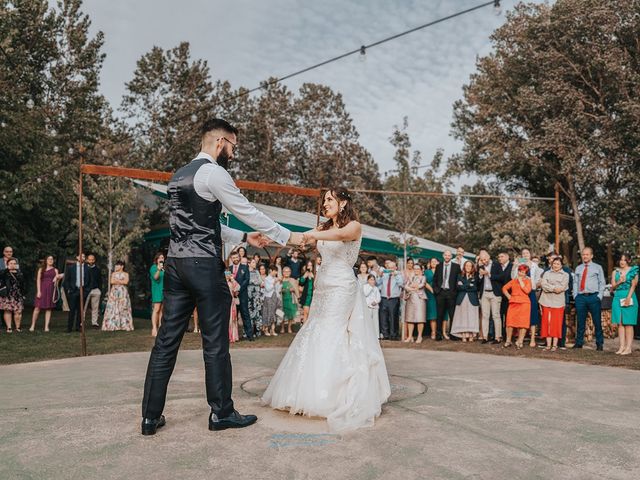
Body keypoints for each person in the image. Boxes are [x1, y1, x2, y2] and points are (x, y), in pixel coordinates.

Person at [141, 118, 302, 436]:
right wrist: (288, 237)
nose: (233, 152)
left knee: (165, 343)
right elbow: (247, 210)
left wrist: (244, 240)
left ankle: (149, 417)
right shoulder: (215, 173)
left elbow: (194, 223)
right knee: (215, 342)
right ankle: (221, 413)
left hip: (176, 265)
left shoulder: (178, 176)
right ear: (220, 142)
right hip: (203, 266)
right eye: (233, 146)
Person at [262, 187, 391, 433]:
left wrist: (316, 234)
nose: (325, 204)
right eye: (325, 201)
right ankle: (303, 392)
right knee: (315, 330)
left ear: (343, 203)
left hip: (342, 287)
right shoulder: (323, 229)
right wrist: (275, 236)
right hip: (323, 287)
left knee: (333, 331)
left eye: (330, 200)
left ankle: (331, 395)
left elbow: (340, 235)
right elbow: (301, 237)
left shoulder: (353, 226)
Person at [573, 247, 606, 351]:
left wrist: (599, 296)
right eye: (583, 254)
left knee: (597, 321)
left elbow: (602, 282)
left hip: (593, 297)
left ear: (591, 256)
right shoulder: (578, 268)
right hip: (581, 297)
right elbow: (575, 282)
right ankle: (579, 343)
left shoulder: (598, 267)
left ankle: (599, 344)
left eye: (587, 254)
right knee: (580, 321)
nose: (585, 256)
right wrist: (575, 295)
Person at [478, 251, 509, 344]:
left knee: (496, 315)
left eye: (485, 259)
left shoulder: (497, 264)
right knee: (485, 316)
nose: (484, 261)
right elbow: (477, 280)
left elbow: (502, 277)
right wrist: (480, 275)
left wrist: (489, 274)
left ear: (489, 257)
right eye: (482, 260)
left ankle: (497, 337)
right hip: (484, 293)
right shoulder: (480, 266)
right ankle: (485, 337)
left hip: (495, 293)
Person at [512, 248, 542, 347]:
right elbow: (513, 277)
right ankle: (521, 338)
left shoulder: (534, 266)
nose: (525, 255)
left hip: (531, 292)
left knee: (532, 315)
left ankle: (532, 339)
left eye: (527, 253)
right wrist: (515, 266)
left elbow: (538, 280)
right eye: (523, 253)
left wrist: (533, 284)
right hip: (521, 292)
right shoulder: (519, 265)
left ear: (530, 254)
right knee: (522, 316)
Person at [539, 257, 569, 351]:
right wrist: (554, 288)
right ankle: (548, 345)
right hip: (546, 301)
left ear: (561, 265)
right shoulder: (546, 273)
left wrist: (551, 286)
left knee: (556, 323)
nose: (555, 265)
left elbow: (563, 287)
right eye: (554, 263)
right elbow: (544, 285)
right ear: (552, 264)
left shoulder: (565, 275)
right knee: (547, 323)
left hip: (558, 302)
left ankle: (555, 345)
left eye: (558, 264)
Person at [610, 254, 638, 355]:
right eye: (621, 260)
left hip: (629, 296)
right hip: (617, 297)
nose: (622, 262)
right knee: (620, 323)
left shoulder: (634, 270)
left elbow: (634, 285)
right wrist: (619, 282)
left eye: (624, 260)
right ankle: (621, 346)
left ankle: (628, 347)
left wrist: (628, 297)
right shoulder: (615, 272)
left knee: (628, 323)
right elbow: (612, 287)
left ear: (628, 261)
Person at [433, 250, 461, 340]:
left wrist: (454, 292)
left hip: (451, 293)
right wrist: (437, 291)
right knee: (439, 315)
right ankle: (438, 334)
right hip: (440, 293)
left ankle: (453, 334)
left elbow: (458, 280)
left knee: (452, 315)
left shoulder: (456, 267)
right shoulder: (439, 266)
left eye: (449, 255)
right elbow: (435, 279)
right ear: (443, 256)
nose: (447, 257)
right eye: (446, 255)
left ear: (451, 256)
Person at [29, 255, 63, 332]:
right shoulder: (41, 269)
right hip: (42, 290)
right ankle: (32, 325)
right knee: (37, 308)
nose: (50, 260)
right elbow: (38, 280)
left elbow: (58, 281)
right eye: (49, 259)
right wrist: (38, 291)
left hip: (51, 290)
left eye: (52, 259)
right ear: (46, 260)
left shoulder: (55, 270)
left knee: (48, 308)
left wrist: (57, 278)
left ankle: (46, 327)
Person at [502, 264, 532, 349]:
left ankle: (520, 341)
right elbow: (504, 288)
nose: (521, 273)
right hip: (513, 303)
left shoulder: (528, 281)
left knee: (523, 323)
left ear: (526, 273)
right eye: (520, 271)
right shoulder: (513, 281)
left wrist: (521, 281)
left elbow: (527, 291)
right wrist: (509, 296)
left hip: (524, 303)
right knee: (510, 322)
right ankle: (508, 341)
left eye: (523, 272)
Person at [451, 261, 480, 342]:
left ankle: (471, 335)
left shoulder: (475, 276)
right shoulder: (459, 275)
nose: (468, 267)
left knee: (471, 317)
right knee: (462, 317)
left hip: (472, 299)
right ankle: (463, 334)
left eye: (470, 266)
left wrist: (464, 285)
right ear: (464, 267)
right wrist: (469, 284)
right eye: (466, 265)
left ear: (472, 267)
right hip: (462, 299)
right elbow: (458, 287)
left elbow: (475, 288)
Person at [102, 260, 134, 331]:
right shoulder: (113, 274)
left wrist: (117, 281)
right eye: (116, 265)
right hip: (114, 291)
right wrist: (120, 281)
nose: (116, 266)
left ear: (122, 266)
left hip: (123, 292)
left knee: (123, 306)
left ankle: (124, 324)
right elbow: (112, 281)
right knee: (113, 306)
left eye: (118, 265)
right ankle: (113, 323)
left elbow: (126, 282)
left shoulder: (126, 274)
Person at [377, 260, 404, 340]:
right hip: (384, 298)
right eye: (389, 267)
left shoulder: (398, 275)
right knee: (383, 317)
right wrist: (380, 275)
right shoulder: (384, 275)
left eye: (392, 267)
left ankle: (393, 335)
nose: (391, 269)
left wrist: (395, 275)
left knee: (393, 317)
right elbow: (377, 283)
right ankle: (385, 334)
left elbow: (401, 284)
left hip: (393, 299)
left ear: (395, 267)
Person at [62, 255, 89, 333]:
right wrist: (69, 290)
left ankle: (78, 326)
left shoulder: (87, 268)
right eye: (80, 256)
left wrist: (86, 291)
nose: (82, 257)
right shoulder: (71, 268)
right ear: (77, 257)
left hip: (83, 291)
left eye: (84, 256)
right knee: (72, 310)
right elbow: (66, 280)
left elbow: (90, 280)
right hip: (73, 291)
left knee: (81, 310)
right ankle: (69, 327)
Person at [229, 250, 252, 341]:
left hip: (242, 296)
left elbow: (246, 280)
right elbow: (227, 281)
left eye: (236, 257)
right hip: (232, 297)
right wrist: (232, 291)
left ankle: (249, 335)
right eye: (233, 257)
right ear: (231, 259)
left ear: (239, 257)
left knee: (245, 315)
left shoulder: (245, 267)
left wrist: (238, 290)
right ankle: (234, 336)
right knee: (233, 316)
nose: (235, 259)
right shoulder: (228, 269)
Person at [0, 258, 25, 332]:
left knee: (18, 311)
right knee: (8, 311)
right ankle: (9, 327)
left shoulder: (20, 273)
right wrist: (7, 269)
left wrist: (23, 293)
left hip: (18, 295)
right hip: (7, 294)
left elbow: (23, 284)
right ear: (7, 264)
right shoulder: (3, 272)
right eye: (11, 263)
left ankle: (18, 327)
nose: (13, 265)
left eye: (14, 263)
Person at [404, 263, 426, 343]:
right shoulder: (410, 277)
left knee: (420, 318)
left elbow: (421, 285)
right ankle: (410, 336)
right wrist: (412, 288)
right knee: (410, 318)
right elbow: (406, 286)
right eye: (415, 269)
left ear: (421, 270)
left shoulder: (423, 277)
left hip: (420, 299)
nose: (416, 270)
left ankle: (419, 336)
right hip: (410, 298)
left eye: (418, 269)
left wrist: (412, 286)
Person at [261, 266, 280, 336]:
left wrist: (279, 284)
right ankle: (266, 330)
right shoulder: (266, 279)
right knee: (267, 313)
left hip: (275, 297)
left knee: (274, 313)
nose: (276, 272)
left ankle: (273, 330)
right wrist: (274, 283)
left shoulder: (275, 278)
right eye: (275, 271)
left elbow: (277, 289)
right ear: (270, 271)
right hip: (268, 297)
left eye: (276, 271)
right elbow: (268, 289)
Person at [84, 254, 102, 329]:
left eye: (92, 259)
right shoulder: (84, 268)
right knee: (83, 307)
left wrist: (100, 290)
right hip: (86, 290)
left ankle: (94, 323)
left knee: (95, 307)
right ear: (87, 260)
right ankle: (81, 322)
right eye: (89, 259)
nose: (91, 261)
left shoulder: (97, 269)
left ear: (94, 260)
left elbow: (100, 280)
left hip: (95, 290)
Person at [149, 252, 165, 337]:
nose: (162, 259)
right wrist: (159, 269)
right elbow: (155, 277)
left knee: (162, 310)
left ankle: (160, 327)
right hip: (157, 291)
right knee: (156, 309)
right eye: (160, 258)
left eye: (163, 257)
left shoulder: (164, 268)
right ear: (157, 259)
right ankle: (154, 328)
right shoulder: (153, 267)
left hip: (164, 291)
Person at [247, 258, 264, 337]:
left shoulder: (257, 272)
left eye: (255, 262)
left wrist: (254, 281)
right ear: (249, 264)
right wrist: (253, 281)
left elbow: (260, 281)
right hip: (249, 294)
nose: (255, 264)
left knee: (257, 313)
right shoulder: (246, 271)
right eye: (253, 262)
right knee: (250, 312)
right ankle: (250, 332)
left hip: (257, 295)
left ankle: (257, 331)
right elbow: (246, 281)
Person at [280, 266, 299, 334]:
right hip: (282, 299)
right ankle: (282, 328)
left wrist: (293, 290)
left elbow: (297, 289)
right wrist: (281, 290)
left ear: (290, 272)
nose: (287, 273)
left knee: (291, 313)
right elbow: (277, 289)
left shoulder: (293, 280)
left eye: (288, 271)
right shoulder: (280, 280)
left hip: (291, 299)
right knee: (281, 313)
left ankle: (289, 327)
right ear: (283, 273)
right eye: (285, 271)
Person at [363, 274, 381, 339]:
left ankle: (376, 336)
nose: (372, 281)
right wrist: (371, 287)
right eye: (371, 280)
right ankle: (367, 335)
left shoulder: (376, 288)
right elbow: (365, 294)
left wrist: (376, 302)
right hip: (368, 306)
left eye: (373, 280)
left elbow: (378, 297)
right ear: (368, 280)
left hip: (375, 307)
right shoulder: (365, 287)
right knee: (368, 321)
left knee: (375, 322)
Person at [424, 258, 438, 340]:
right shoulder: (426, 272)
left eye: (435, 261)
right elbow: (424, 282)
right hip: (430, 293)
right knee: (432, 313)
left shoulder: (440, 271)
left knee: (439, 313)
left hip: (439, 293)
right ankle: (433, 332)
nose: (433, 263)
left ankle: (439, 331)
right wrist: (432, 290)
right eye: (432, 262)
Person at [298, 260, 315, 324]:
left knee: (312, 315)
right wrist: (305, 275)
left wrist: (313, 276)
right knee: (306, 313)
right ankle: (304, 329)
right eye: (308, 265)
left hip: (313, 297)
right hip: (306, 297)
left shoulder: (315, 274)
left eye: (311, 265)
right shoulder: (305, 274)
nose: (310, 267)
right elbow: (301, 283)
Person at [225, 271, 240, 343]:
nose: (227, 276)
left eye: (229, 274)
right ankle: (226, 336)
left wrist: (232, 279)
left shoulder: (232, 283)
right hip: (224, 304)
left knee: (233, 319)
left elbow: (238, 288)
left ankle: (233, 336)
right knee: (226, 320)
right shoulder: (223, 283)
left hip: (232, 303)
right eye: (226, 274)